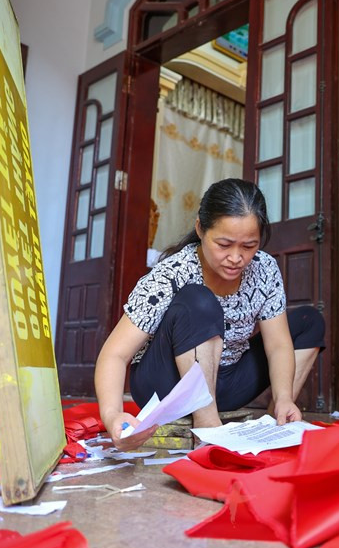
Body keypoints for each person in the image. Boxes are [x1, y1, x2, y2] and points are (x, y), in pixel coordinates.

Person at [95, 179, 325, 451]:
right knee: (200, 300)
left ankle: (273, 424)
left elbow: (276, 344)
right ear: (200, 229)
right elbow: (114, 354)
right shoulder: (172, 274)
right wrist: (112, 415)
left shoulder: (265, 269)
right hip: (167, 386)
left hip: (226, 382)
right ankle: (208, 425)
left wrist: (285, 396)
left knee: (309, 321)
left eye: (249, 246)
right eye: (224, 244)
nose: (236, 258)